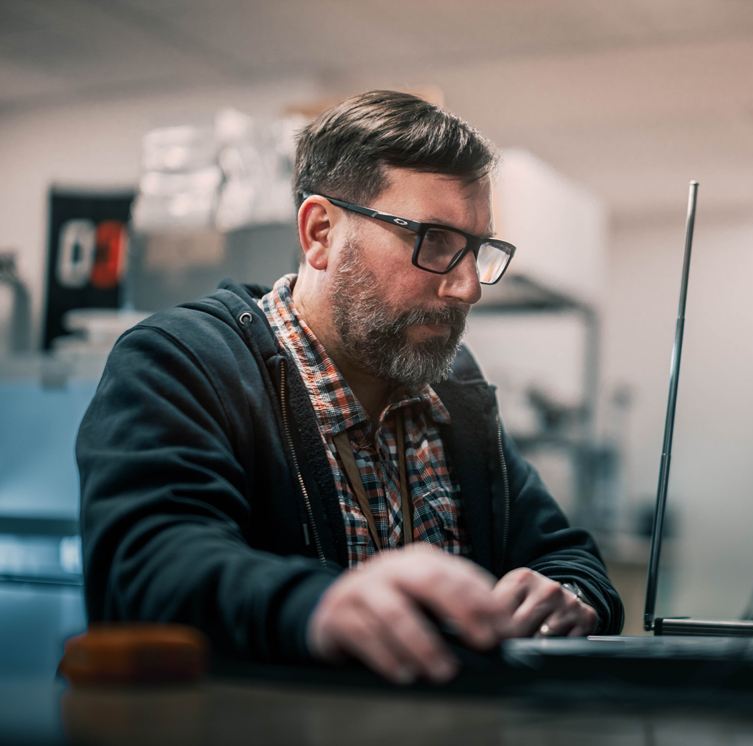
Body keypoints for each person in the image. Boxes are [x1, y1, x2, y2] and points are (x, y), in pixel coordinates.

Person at [78, 90, 623, 684]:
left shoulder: (454, 393)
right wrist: (318, 606)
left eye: (475, 250)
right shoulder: (184, 362)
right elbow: (147, 565)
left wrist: (569, 594)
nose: (468, 287)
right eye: (434, 240)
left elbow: (569, 556)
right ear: (320, 233)